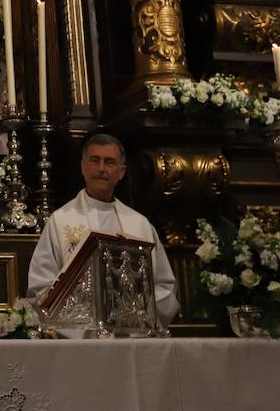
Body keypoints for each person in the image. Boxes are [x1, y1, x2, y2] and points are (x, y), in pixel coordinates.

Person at [27, 134, 179, 329]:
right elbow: (40, 287)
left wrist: (139, 315)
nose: (101, 169)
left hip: (132, 337)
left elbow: (164, 286)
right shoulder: (60, 221)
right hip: (78, 340)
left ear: (121, 172)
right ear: (82, 167)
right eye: (94, 160)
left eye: (109, 162)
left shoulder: (140, 225)